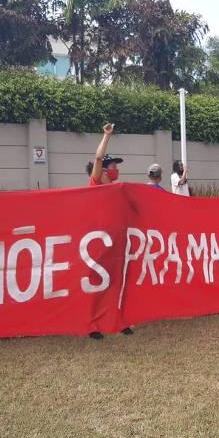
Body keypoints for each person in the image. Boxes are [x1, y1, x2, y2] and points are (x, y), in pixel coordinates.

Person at [85, 123, 134, 339]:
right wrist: (106, 136)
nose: (116, 170)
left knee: (117, 282)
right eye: (113, 166)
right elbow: (97, 158)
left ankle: (119, 320)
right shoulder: (95, 183)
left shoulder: (117, 188)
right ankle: (92, 324)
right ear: (105, 169)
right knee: (96, 283)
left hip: (117, 240)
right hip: (97, 242)